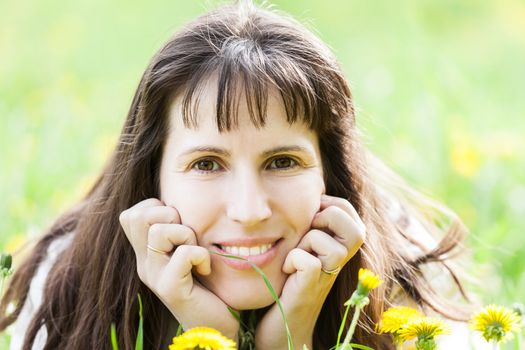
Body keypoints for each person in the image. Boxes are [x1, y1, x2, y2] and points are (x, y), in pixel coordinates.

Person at [0, 1, 476, 349]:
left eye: (282, 162)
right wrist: (214, 339)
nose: (249, 211)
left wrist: (286, 344)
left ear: (329, 173)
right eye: (207, 164)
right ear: (152, 175)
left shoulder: (400, 273)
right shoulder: (70, 287)